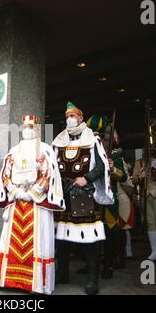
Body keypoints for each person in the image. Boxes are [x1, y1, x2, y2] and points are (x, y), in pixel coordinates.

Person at [0, 115, 65, 295]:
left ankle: (37, 284)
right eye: (24, 126)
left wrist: (32, 194)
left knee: (38, 241)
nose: (27, 129)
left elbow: (49, 174)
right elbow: (6, 173)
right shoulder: (13, 150)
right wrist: (16, 192)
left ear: (38, 129)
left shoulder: (45, 150)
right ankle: (6, 279)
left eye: (31, 126)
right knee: (9, 241)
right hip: (17, 202)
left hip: (37, 204)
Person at [52, 102, 114, 295]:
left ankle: (92, 279)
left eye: (73, 115)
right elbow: (53, 167)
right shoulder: (59, 141)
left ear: (80, 117)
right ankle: (62, 273)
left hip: (84, 193)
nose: (69, 119)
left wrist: (85, 178)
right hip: (64, 194)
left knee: (89, 239)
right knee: (60, 238)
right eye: (67, 116)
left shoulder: (93, 139)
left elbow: (101, 166)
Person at [86, 115, 128, 277]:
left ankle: (107, 265)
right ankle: (91, 265)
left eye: (100, 135)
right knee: (91, 233)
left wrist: (112, 168)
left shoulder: (114, 155)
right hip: (92, 199)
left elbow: (123, 177)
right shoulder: (87, 152)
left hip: (110, 199)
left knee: (109, 234)